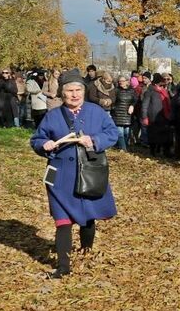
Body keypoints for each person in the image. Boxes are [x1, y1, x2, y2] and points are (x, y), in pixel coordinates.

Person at [30, 69, 119, 278]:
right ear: (62, 93)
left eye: (78, 89)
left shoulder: (96, 112)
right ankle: (63, 266)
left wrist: (94, 140)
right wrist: (45, 145)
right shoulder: (52, 116)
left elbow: (112, 133)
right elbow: (36, 140)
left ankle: (86, 250)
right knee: (62, 221)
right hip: (60, 177)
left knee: (88, 218)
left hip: (89, 173)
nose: (75, 94)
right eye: (70, 90)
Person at [110, 75, 136, 151]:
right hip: (118, 114)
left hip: (128, 115)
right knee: (120, 134)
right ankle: (124, 149)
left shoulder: (132, 91)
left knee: (126, 133)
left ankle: (122, 146)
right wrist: (113, 108)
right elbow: (113, 101)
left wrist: (132, 105)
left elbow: (135, 100)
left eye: (122, 81)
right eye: (119, 81)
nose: (120, 82)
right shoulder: (116, 90)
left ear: (127, 81)